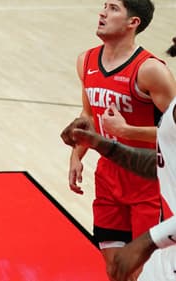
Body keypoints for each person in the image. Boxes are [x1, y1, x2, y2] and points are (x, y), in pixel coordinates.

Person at [67, 0, 176, 276]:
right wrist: (76, 155)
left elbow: (174, 135)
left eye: (113, 8)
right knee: (115, 268)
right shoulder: (86, 60)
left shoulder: (151, 70)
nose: (102, 13)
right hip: (108, 177)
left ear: (133, 22)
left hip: (149, 183)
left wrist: (128, 130)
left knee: (144, 271)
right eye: (104, 6)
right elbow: (89, 115)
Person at [62, 110, 176, 281]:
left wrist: (149, 240)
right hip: (164, 260)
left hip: (151, 201)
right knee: (116, 270)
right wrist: (98, 145)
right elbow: (160, 162)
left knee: (137, 271)